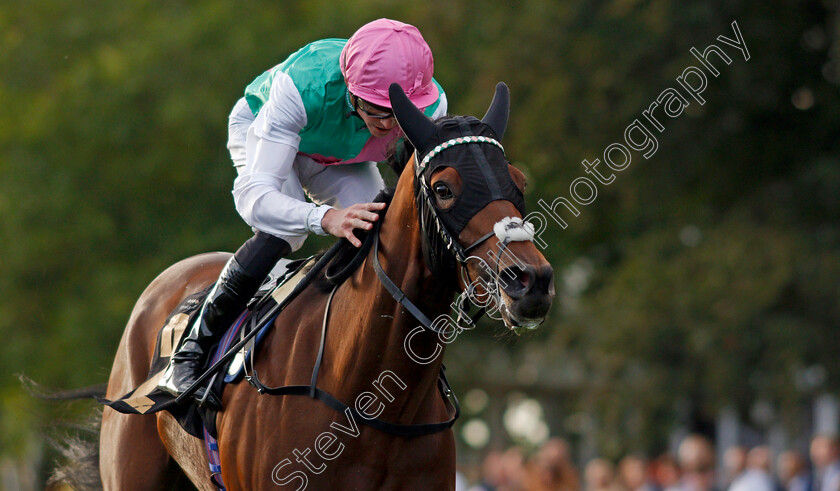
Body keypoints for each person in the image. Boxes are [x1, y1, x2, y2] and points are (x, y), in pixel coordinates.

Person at [157, 18, 448, 403]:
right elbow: (254, 199)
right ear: (351, 91)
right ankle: (191, 350)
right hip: (270, 135)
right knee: (284, 231)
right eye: (378, 110)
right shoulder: (301, 87)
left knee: (384, 231)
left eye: (401, 111)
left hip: (342, 156)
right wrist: (324, 218)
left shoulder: (433, 106)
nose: (390, 124)